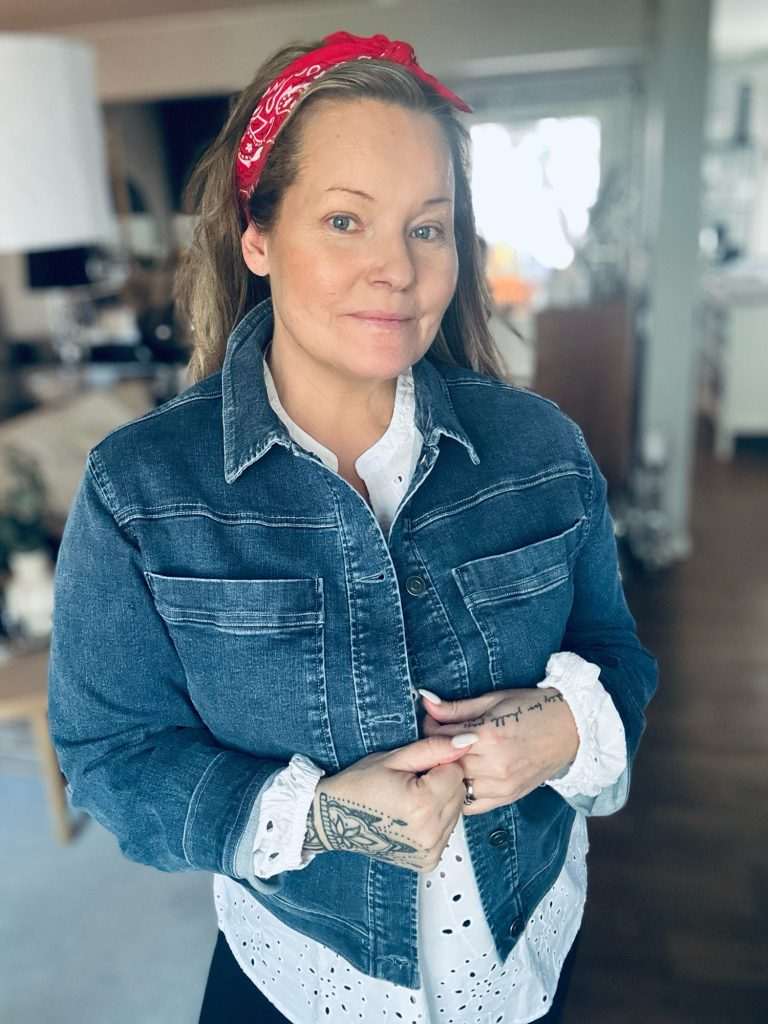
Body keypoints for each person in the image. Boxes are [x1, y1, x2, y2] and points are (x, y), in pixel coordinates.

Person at [48, 31, 658, 1024]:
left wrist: (569, 729)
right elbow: (112, 758)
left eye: (428, 228)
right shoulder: (139, 490)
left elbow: (618, 656)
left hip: (525, 954)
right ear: (257, 238)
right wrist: (324, 818)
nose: (397, 270)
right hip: (295, 979)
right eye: (345, 220)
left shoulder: (542, 449)